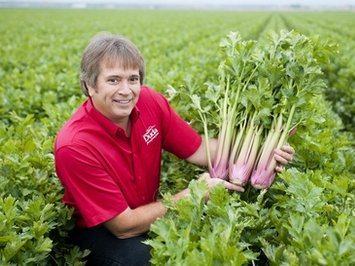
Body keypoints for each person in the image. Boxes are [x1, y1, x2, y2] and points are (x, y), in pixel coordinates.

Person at [54, 32, 295, 265]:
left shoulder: (150, 103)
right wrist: (193, 194)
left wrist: (267, 151)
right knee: (151, 259)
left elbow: (200, 150)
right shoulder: (75, 146)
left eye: (133, 79)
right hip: (102, 230)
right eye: (113, 80)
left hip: (148, 211)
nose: (126, 91)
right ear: (90, 85)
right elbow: (123, 227)